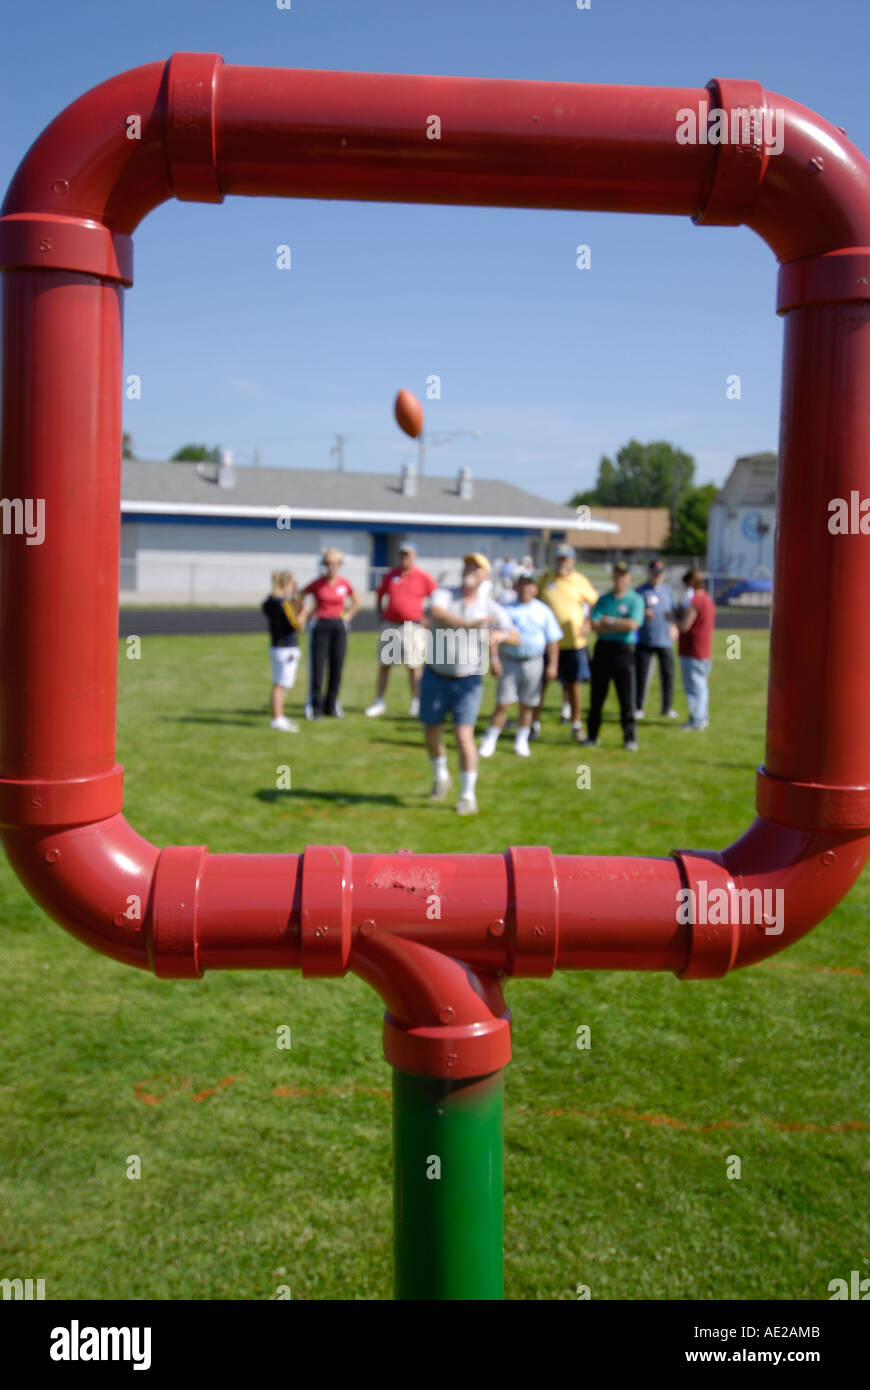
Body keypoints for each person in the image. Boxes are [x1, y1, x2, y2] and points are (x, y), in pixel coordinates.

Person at [420, 553, 519, 815]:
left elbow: (516, 635)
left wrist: (500, 635)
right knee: (432, 734)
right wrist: (470, 625)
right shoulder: (444, 594)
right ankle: (441, 776)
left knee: (464, 737)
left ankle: (467, 795)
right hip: (435, 674)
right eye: (467, 566)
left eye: (476, 568)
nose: (470, 571)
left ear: (485, 576)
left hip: (468, 680)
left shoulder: (491, 606)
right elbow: (437, 613)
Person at [478, 570, 561, 758]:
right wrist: (494, 659)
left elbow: (552, 641)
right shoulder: (506, 609)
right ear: (516, 587)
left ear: (535, 588)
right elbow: (493, 636)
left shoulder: (543, 610)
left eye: (529, 584)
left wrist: (552, 665)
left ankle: (521, 741)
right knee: (504, 703)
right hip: (510, 662)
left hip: (534, 662)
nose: (526, 588)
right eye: (522, 584)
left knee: (527, 704)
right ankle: (490, 739)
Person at [534, 544, 598, 742]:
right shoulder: (545, 579)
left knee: (573, 685)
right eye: (559, 558)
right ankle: (533, 724)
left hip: (573, 643)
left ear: (572, 560)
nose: (562, 561)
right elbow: (533, 603)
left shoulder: (579, 581)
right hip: (547, 643)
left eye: (566, 558)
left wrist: (589, 624)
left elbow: (597, 604)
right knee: (540, 686)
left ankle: (576, 724)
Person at [365, 543, 437, 718]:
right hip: (391, 624)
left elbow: (436, 596)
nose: (405, 558)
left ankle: (416, 702)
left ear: (414, 557)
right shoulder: (392, 575)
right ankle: (379, 701)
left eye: (408, 555)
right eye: (402, 555)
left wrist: (429, 618)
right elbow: (381, 594)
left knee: (414, 666)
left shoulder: (422, 577)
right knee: (385, 665)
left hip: (413, 626)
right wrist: (381, 613)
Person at [585, 561, 645, 750]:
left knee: (626, 697)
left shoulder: (635, 599)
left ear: (629, 578)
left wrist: (609, 621)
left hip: (623, 650)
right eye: (617, 575)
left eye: (623, 575)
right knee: (597, 696)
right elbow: (594, 623)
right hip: (603, 648)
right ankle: (592, 735)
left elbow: (633, 624)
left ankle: (629, 738)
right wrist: (616, 624)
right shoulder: (604, 599)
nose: (619, 579)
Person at [300, 548, 360, 719]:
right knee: (318, 667)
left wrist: (347, 616)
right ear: (325, 565)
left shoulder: (344, 583)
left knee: (337, 666)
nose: (332, 567)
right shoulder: (318, 583)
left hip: (338, 626)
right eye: (329, 564)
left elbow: (356, 600)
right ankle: (315, 705)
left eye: (335, 564)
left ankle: (332, 704)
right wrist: (306, 613)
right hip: (321, 626)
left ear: (339, 565)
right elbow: (301, 595)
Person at [634, 558, 679, 720]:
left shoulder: (668, 591)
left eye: (659, 573)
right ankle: (638, 707)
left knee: (668, 675)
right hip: (645, 639)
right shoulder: (640, 591)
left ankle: (667, 707)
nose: (656, 576)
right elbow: (632, 612)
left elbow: (673, 612)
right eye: (654, 573)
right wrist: (642, 613)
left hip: (665, 640)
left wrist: (674, 626)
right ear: (649, 573)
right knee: (642, 675)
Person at [261, 570, 303, 732]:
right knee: (281, 684)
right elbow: (296, 624)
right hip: (285, 646)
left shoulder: (270, 602)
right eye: (293, 585)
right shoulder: (282, 603)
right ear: (285, 584)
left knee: (282, 683)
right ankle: (277, 718)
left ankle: (279, 715)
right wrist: (304, 611)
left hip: (277, 645)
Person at [677, 568, 715, 730]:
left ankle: (697, 720)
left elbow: (684, 626)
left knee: (694, 687)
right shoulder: (707, 599)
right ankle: (701, 717)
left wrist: (671, 619)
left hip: (693, 649)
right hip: (703, 649)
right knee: (701, 686)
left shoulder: (696, 601)